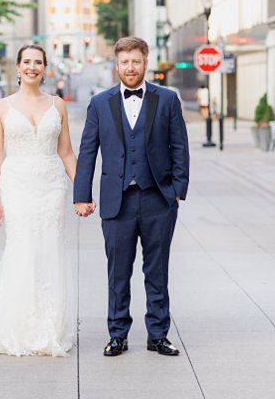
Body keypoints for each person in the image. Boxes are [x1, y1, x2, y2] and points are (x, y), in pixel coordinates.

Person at [73, 36, 190, 358]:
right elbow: (87, 152)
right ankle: (118, 334)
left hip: (158, 200)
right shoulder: (100, 103)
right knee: (118, 272)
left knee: (157, 271)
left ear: (145, 62)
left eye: (136, 61)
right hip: (116, 201)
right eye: (124, 62)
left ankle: (158, 334)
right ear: (116, 65)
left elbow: (179, 146)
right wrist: (81, 195)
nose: (130, 67)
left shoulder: (167, 100)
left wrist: (177, 191)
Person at [0, 44, 77, 356]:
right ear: (17, 67)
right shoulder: (2, 107)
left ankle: (48, 327)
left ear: (45, 68)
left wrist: (82, 190)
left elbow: (66, 152)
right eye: (27, 62)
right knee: (22, 248)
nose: (32, 67)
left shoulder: (58, 105)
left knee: (49, 249)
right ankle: (16, 326)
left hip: (51, 185)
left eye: (38, 62)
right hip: (16, 186)